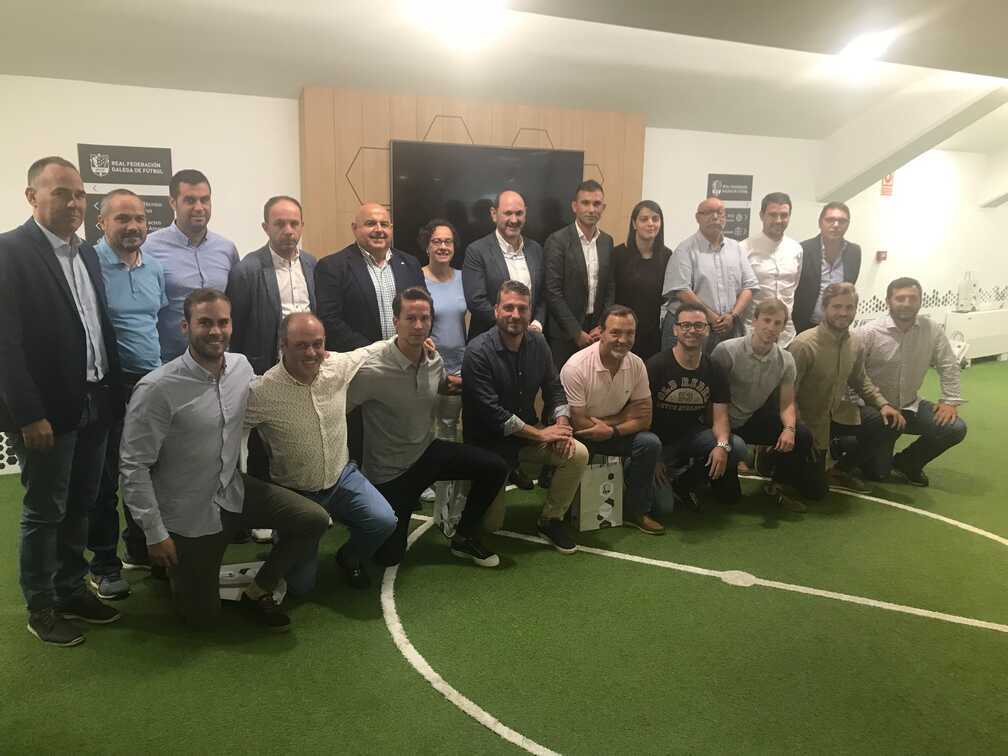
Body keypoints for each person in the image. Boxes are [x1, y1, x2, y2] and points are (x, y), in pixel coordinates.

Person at [119, 289, 330, 631]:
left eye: (223, 322)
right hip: (188, 514)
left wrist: (316, 361)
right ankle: (174, 568)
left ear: (232, 325)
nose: (215, 331)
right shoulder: (156, 389)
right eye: (205, 323)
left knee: (313, 519)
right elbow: (133, 467)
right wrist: (155, 534)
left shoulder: (241, 367)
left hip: (233, 490)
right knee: (201, 620)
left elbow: (273, 389)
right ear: (185, 327)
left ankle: (258, 591)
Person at [0, 157, 124, 646]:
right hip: (46, 412)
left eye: (79, 194)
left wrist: (112, 393)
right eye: (61, 193)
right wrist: (29, 414)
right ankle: (42, 606)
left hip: (94, 399)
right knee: (45, 511)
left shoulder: (87, 252)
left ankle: (72, 589)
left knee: (82, 503)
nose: (74, 203)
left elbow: (95, 324)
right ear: (32, 197)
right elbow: (6, 344)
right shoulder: (9, 252)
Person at [348, 288, 509, 567]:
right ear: (396, 322)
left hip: (426, 454)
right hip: (390, 474)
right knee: (388, 558)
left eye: (425, 318)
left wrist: (479, 386)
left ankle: (464, 537)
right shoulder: (371, 369)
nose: (419, 325)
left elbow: (442, 385)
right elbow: (341, 411)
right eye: (411, 318)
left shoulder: (434, 360)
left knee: (495, 467)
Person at [244, 312, 396, 592]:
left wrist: (408, 339)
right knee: (300, 588)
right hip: (295, 493)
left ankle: (349, 558)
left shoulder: (336, 366)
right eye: (301, 345)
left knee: (384, 521)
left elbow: (370, 351)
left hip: (342, 478)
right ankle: (284, 536)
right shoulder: (262, 391)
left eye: (318, 343)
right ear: (283, 345)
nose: (312, 353)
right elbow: (230, 428)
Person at [462, 280, 589, 553]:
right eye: (508, 307)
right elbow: (493, 415)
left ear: (530, 312)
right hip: (488, 444)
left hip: (526, 437)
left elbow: (554, 388)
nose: (515, 315)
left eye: (522, 308)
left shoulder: (538, 342)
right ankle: (503, 473)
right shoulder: (477, 351)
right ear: (496, 310)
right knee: (491, 525)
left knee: (576, 453)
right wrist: (541, 434)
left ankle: (550, 519)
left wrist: (562, 427)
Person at [90, 189, 168, 595]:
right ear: (101, 222)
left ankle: (138, 549)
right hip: (108, 387)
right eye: (122, 218)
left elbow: (155, 323)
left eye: (139, 218)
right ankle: (104, 564)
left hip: (149, 385)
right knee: (104, 481)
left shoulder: (154, 267)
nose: (133, 226)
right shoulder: (89, 265)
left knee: (147, 473)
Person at [314, 202, 425, 463]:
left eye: (384, 224)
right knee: (359, 439)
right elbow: (330, 320)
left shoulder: (409, 264)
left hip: (403, 367)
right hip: (359, 369)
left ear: (391, 228)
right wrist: (377, 353)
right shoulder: (332, 266)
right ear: (355, 228)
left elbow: (422, 311)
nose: (378, 229)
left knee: (401, 432)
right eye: (370, 223)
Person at [849, 277, 967, 486]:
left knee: (954, 428)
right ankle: (846, 443)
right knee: (878, 474)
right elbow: (852, 374)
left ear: (920, 301)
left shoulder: (932, 330)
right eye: (900, 298)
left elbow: (948, 365)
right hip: (876, 412)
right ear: (888, 301)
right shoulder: (868, 333)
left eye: (913, 298)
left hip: (909, 406)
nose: (906, 303)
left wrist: (949, 401)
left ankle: (907, 463)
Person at [787, 282, 903, 493]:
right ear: (825, 308)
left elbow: (860, 379)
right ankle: (772, 459)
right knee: (815, 492)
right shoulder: (804, 344)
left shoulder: (856, 343)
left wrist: (883, 404)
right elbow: (787, 393)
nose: (843, 313)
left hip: (838, 414)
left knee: (889, 423)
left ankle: (840, 470)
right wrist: (798, 430)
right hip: (808, 422)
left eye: (849, 307)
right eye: (837, 306)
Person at [711, 299, 826, 511]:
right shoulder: (726, 351)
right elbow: (713, 399)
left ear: (783, 328)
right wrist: (721, 438)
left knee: (801, 435)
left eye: (777, 323)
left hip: (750, 419)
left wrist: (789, 429)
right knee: (728, 498)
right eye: (766, 320)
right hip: (721, 422)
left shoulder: (786, 360)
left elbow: (787, 404)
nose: (771, 327)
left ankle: (776, 485)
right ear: (754, 321)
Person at [560, 305, 663, 533]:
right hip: (580, 434)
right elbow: (578, 422)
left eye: (629, 333)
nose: (623, 340)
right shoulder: (576, 367)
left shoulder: (637, 364)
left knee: (650, 443)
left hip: (612, 433)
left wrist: (611, 430)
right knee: (578, 449)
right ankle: (562, 505)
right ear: (601, 332)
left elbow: (645, 418)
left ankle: (637, 511)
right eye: (615, 332)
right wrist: (624, 417)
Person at [647, 302, 746, 508]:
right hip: (659, 443)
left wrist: (721, 446)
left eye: (699, 325)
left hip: (692, 437)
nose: (692, 330)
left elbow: (720, 418)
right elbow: (642, 417)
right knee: (663, 508)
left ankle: (684, 483)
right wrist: (653, 458)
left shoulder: (714, 368)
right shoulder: (656, 366)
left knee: (735, 447)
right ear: (675, 329)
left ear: (707, 330)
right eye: (685, 325)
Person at [143, 169, 239, 362]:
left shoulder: (227, 249)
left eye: (205, 200)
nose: (199, 207)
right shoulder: (148, 248)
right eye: (190, 200)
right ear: (173, 203)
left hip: (218, 360)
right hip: (170, 362)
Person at [227, 195, 317, 376]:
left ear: (302, 226)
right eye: (280, 224)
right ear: (266, 227)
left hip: (308, 364)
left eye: (294, 224)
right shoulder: (246, 271)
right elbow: (235, 331)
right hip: (266, 370)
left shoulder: (312, 264)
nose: (288, 230)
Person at [663, 196, 758, 353]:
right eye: (708, 212)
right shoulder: (685, 250)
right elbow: (681, 290)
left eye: (719, 212)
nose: (715, 217)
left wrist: (733, 316)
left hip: (729, 326)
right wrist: (711, 317)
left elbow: (750, 286)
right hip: (692, 329)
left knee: (725, 368)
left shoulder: (736, 248)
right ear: (698, 218)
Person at [420, 218, 467, 522]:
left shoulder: (463, 278)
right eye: (437, 241)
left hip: (460, 362)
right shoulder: (417, 278)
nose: (442, 246)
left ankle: (443, 477)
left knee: (449, 425)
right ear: (427, 246)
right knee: (425, 425)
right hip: (428, 364)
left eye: (448, 241)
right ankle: (424, 478)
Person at [544, 179, 615, 366]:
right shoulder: (557, 241)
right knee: (563, 382)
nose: (591, 209)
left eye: (597, 204)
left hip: (597, 331)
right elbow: (552, 291)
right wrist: (576, 332)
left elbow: (609, 287)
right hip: (565, 333)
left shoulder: (607, 241)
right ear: (574, 206)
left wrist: (603, 325)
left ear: (603, 208)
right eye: (585, 203)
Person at [462, 190, 546, 339]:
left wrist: (537, 323)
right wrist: (514, 325)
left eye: (519, 213)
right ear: (494, 214)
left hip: (530, 339)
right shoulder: (477, 251)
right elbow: (476, 301)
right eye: (508, 213)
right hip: (489, 341)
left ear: (525, 213)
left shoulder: (536, 249)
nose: (514, 220)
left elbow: (542, 296)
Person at [613, 200, 672, 361]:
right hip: (620, 331)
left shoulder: (667, 256)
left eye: (655, 219)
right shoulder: (618, 254)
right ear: (634, 224)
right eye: (644, 219)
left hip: (653, 333)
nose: (650, 224)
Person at [741, 192, 803, 345]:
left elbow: (794, 285)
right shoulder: (744, 248)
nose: (778, 220)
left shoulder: (796, 249)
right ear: (762, 215)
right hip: (753, 332)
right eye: (773, 215)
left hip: (786, 334)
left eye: (784, 215)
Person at [794, 202, 862, 334]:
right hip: (804, 325)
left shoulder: (854, 252)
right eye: (830, 220)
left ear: (848, 224)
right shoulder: (803, 249)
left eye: (842, 221)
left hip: (838, 325)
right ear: (820, 223)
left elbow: (849, 289)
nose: (836, 225)